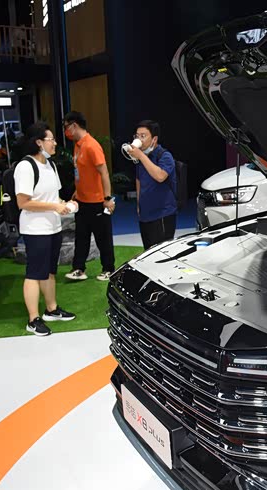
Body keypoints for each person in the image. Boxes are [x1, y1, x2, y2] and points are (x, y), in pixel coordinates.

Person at [14, 122, 76, 336]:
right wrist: (54, 207)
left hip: (53, 226)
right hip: (35, 229)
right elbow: (23, 202)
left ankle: (52, 309)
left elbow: (53, 197)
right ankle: (33, 319)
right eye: (51, 139)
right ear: (39, 142)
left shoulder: (50, 165)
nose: (55, 143)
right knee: (34, 273)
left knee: (49, 271)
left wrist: (64, 205)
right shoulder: (25, 167)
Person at [62, 111, 116, 281]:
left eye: (66, 127)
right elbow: (82, 172)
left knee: (103, 238)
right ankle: (78, 268)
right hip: (82, 201)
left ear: (74, 125)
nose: (65, 131)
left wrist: (107, 198)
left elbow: (104, 173)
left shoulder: (92, 146)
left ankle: (109, 269)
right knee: (81, 237)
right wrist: (77, 191)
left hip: (97, 201)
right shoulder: (78, 145)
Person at [126, 120, 178, 249]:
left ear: (154, 139)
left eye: (143, 136)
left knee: (162, 253)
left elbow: (160, 176)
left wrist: (141, 156)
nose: (139, 139)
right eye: (137, 136)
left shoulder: (164, 156)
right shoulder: (141, 157)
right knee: (148, 251)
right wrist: (139, 204)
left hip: (163, 214)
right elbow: (139, 180)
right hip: (145, 214)